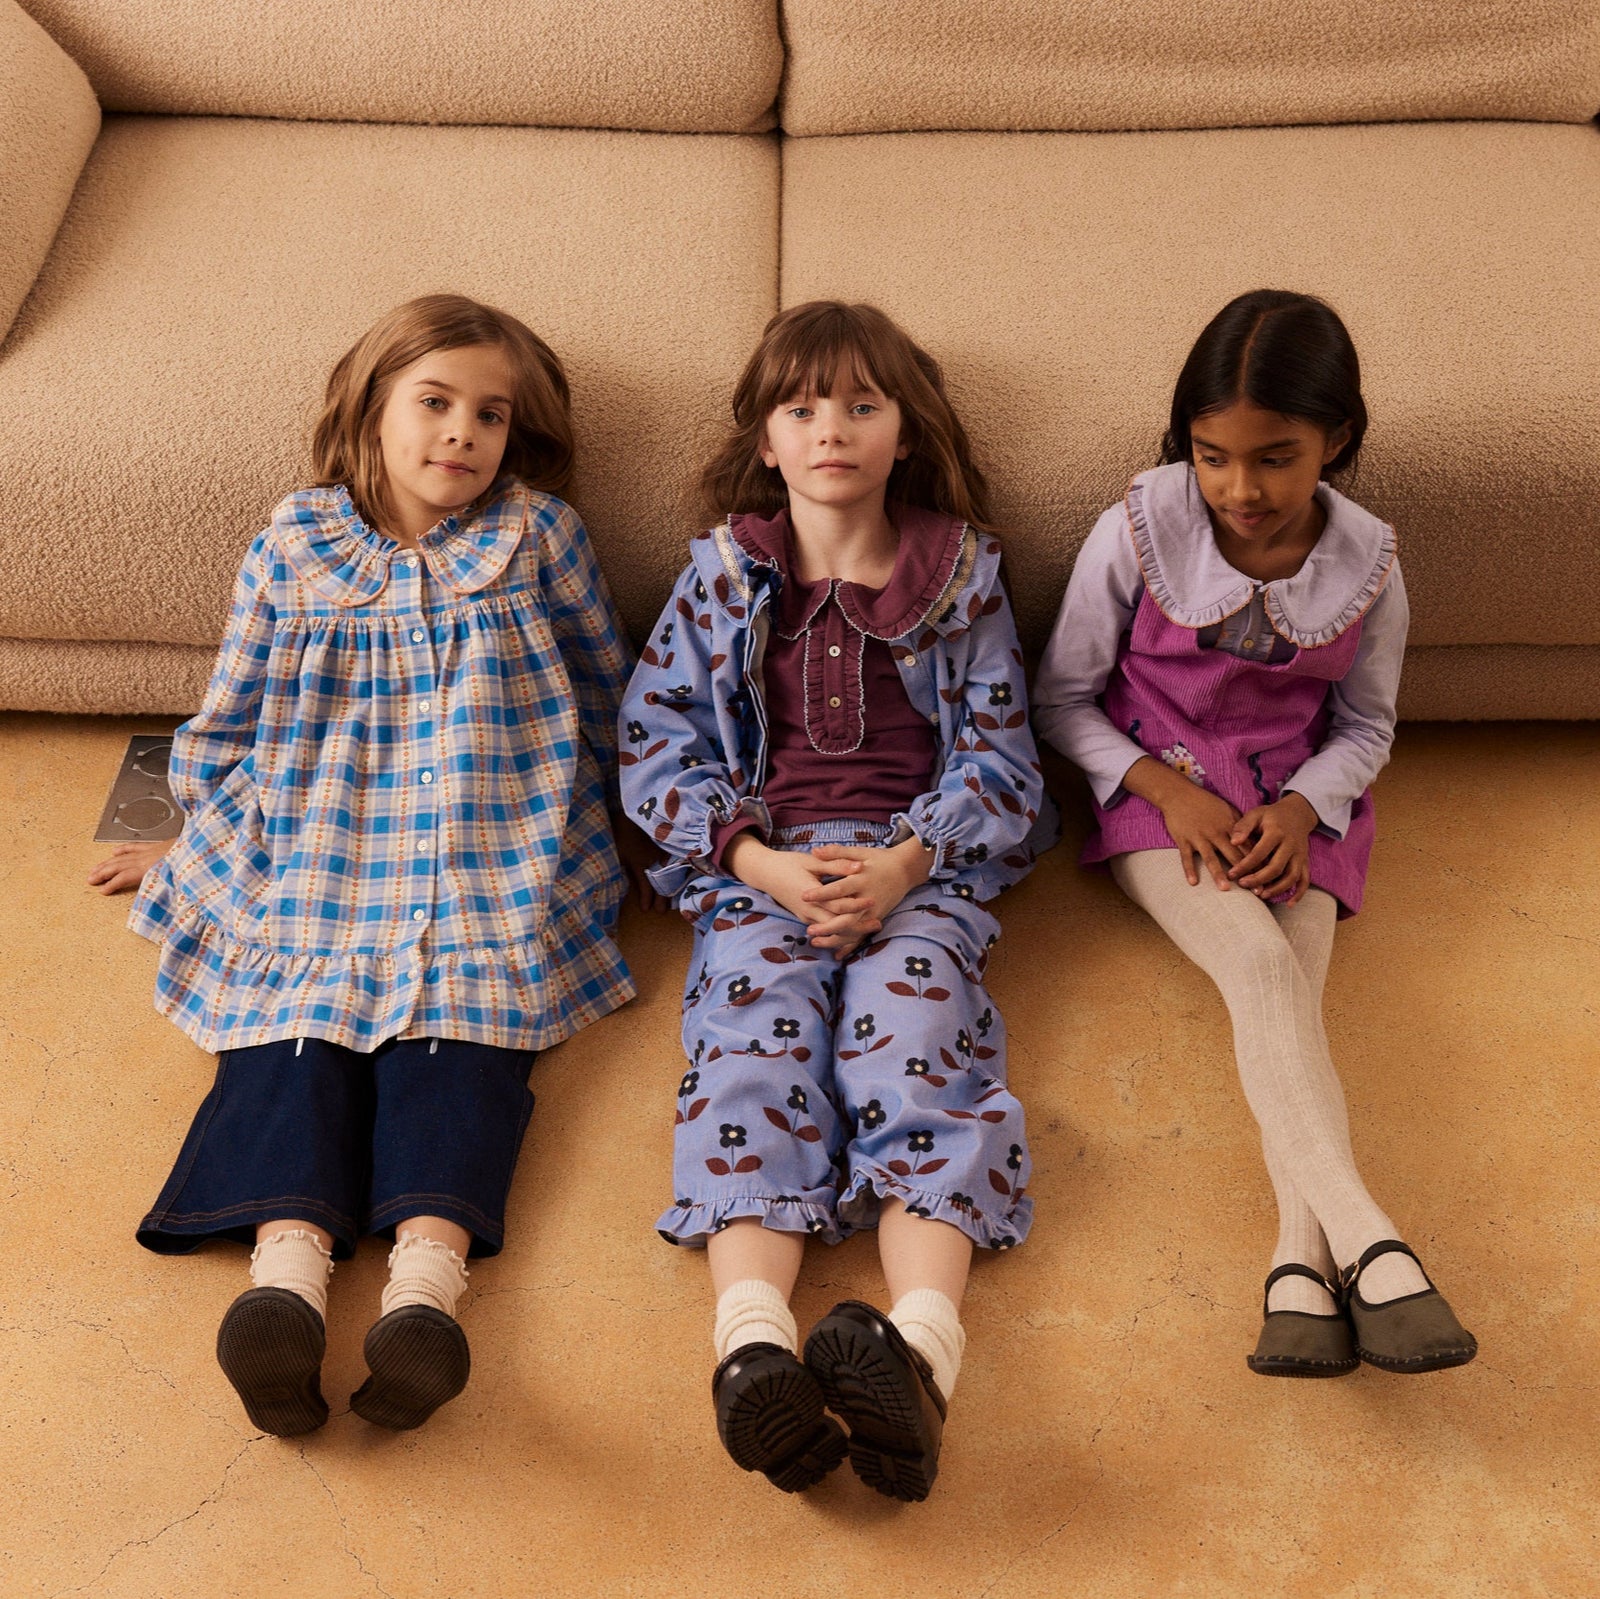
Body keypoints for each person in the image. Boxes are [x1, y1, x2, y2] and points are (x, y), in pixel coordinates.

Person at [89, 293, 652, 1434]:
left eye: (489, 415)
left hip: (495, 841)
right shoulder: (296, 539)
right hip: (318, 836)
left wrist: (648, 823)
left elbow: (612, 686)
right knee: (290, 1034)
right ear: (370, 411)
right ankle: (283, 1286)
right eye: (434, 403)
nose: (461, 433)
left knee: (462, 1036)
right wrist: (160, 814)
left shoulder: (539, 535)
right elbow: (226, 705)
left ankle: (423, 1299)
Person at [620, 301, 1048, 1500]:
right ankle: (751, 1349)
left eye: (863, 405)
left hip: (920, 872)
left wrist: (909, 862)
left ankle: (916, 1360)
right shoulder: (720, 579)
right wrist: (753, 863)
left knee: (921, 1052)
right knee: (749, 1046)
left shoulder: (957, 580)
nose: (832, 430)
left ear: (904, 431)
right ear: (764, 437)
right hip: (761, 869)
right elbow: (655, 750)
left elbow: (1003, 760)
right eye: (803, 408)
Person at [1034, 288, 1475, 1379]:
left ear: (1338, 439)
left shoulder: (1369, 560)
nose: (1241, 489)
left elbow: (1367, 724)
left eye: (1276, 458)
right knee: (1255, 965)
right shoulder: (1134, 528)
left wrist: (1301, 806)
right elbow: (1060, 702)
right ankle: (1371, 1239)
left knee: (1291, 990)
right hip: (1158, 784)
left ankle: (1295, 1266)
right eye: (1212, 456)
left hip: (1296, 802)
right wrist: (1168, 792)